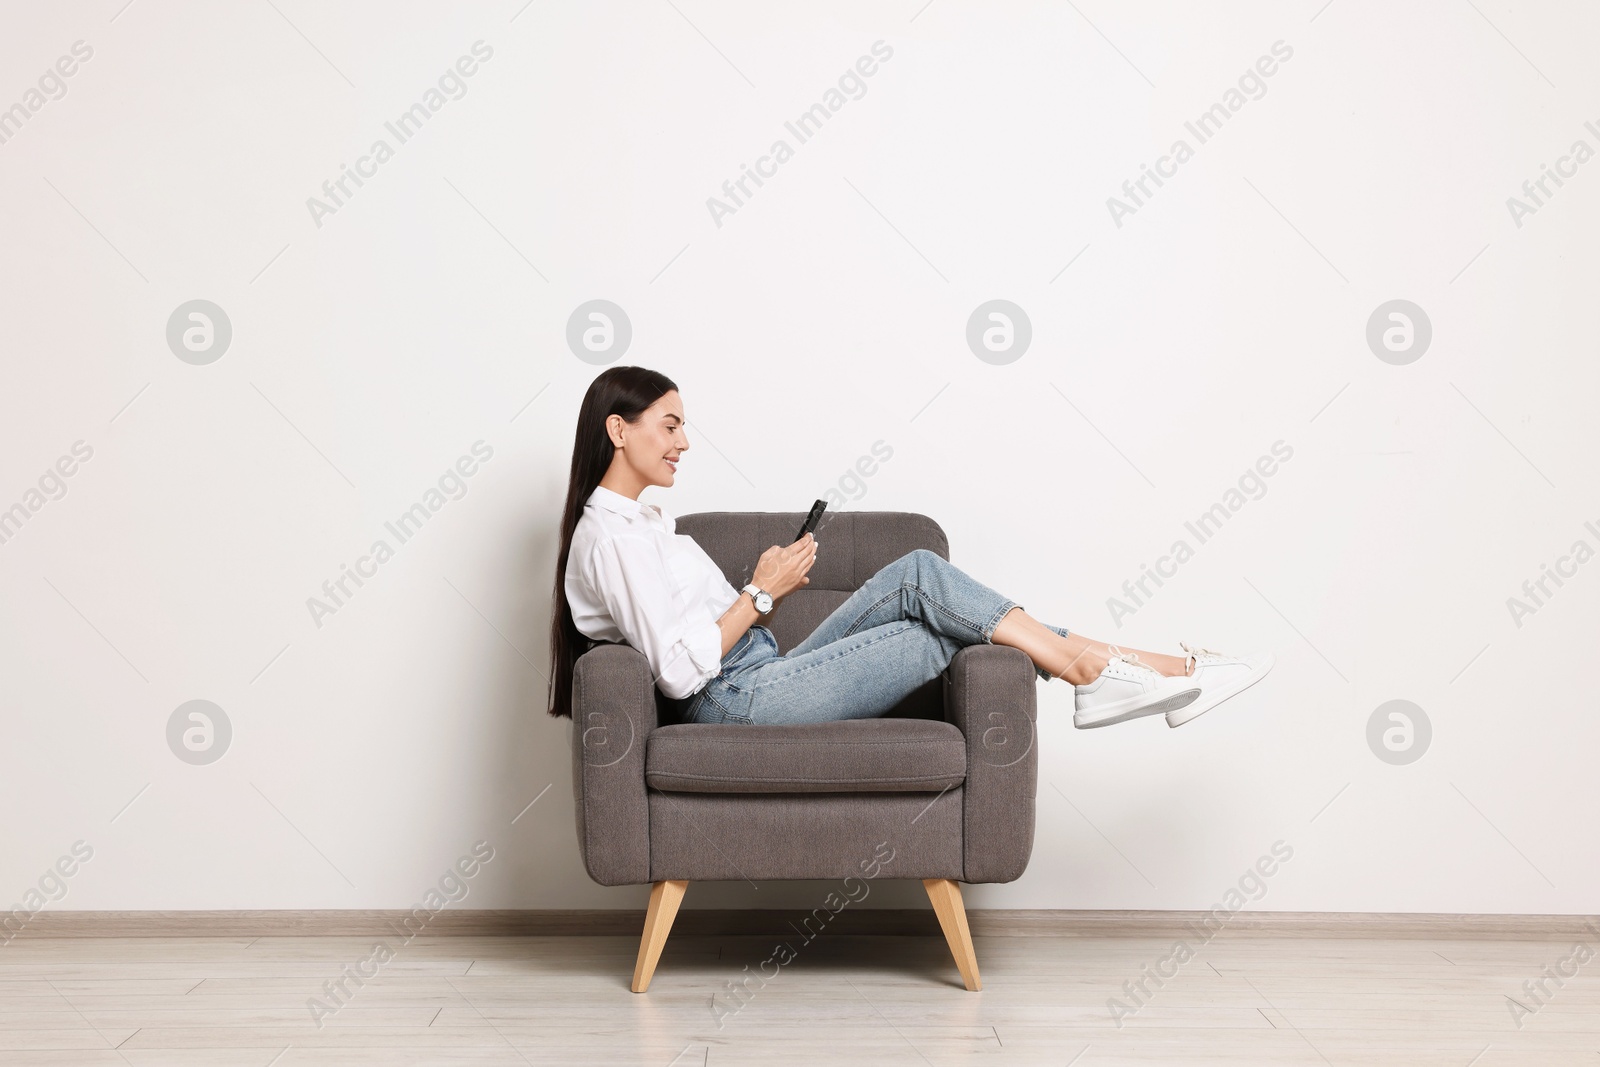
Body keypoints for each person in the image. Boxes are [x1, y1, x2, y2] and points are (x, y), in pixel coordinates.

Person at [547, 366, 1272, 728]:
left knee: (921, 573)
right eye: (669, 425)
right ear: (619, 429)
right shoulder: (608, 537)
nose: (684, 441)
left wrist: (769, 592)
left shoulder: (640, 525)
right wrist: (760, 592)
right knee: (941, 632)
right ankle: (1125, 669)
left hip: (759, 670)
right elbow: (676, 672)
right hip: (733, 698)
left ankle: (1126, 669)